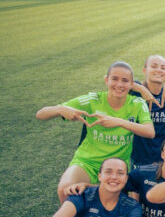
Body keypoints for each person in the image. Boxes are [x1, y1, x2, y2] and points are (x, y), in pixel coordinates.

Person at [36, 61, 155, 203]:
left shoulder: (137, 103)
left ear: (131, 84)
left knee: (109, 203)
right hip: (87, 161)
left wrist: (118, 121)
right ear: (106, 80)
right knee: (65, 190)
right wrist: (60, 109)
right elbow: (40, 114)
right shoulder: (92, 100)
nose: (119, 84)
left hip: (116, 164)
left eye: (125, 81)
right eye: (114, 79)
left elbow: (150, 132)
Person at [128, 55, 165, 167]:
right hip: (142, 157)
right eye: (154, 66)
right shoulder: (136, 91)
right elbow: (120, 81)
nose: (159, 70)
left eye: (163, 68)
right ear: (144, 70)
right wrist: (142, 89)